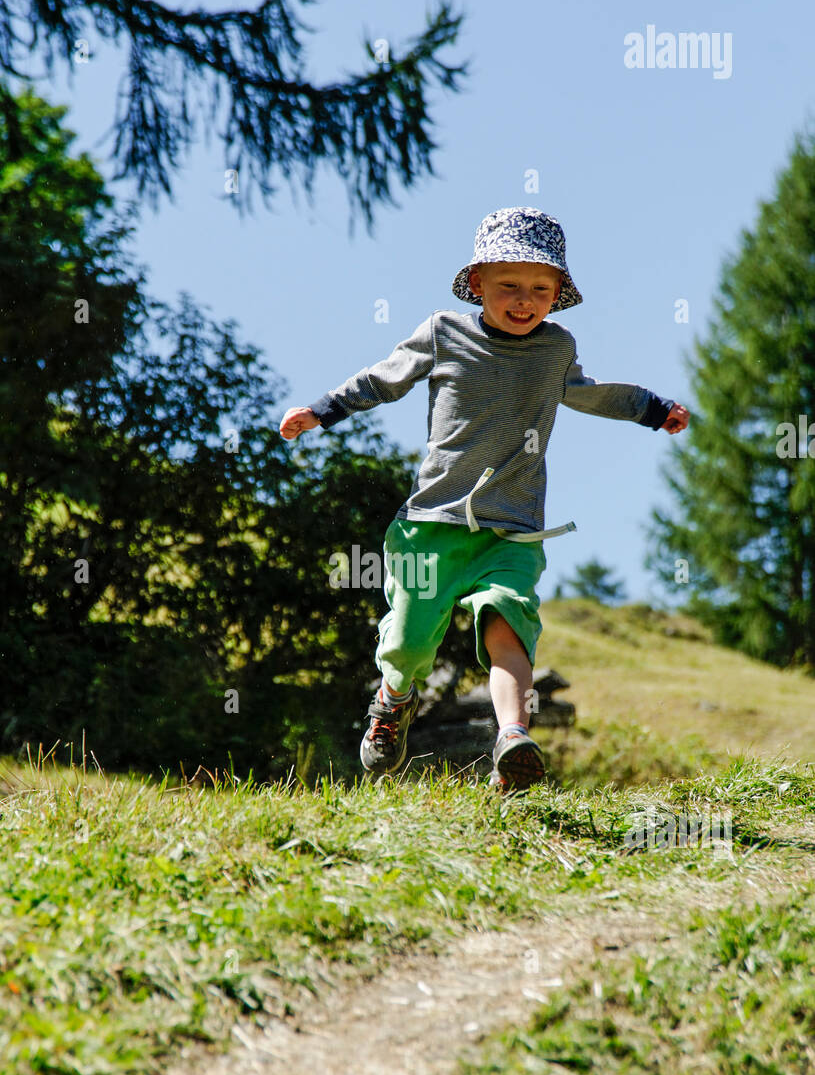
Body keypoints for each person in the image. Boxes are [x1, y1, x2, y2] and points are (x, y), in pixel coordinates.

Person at [279, 207, 690, 791]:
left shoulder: (555, 349)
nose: (524, 300)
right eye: (509, 286)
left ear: (558, 295)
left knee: (507, 624)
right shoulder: (445, 332)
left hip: (512, 531)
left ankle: (513, 736)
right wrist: (321, 410)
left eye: (540, 289)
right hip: (432, 524)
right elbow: (384, 378)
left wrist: (651, 408)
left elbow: (590, 394)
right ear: (477, 284)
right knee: (408, 639)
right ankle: (392, 702)